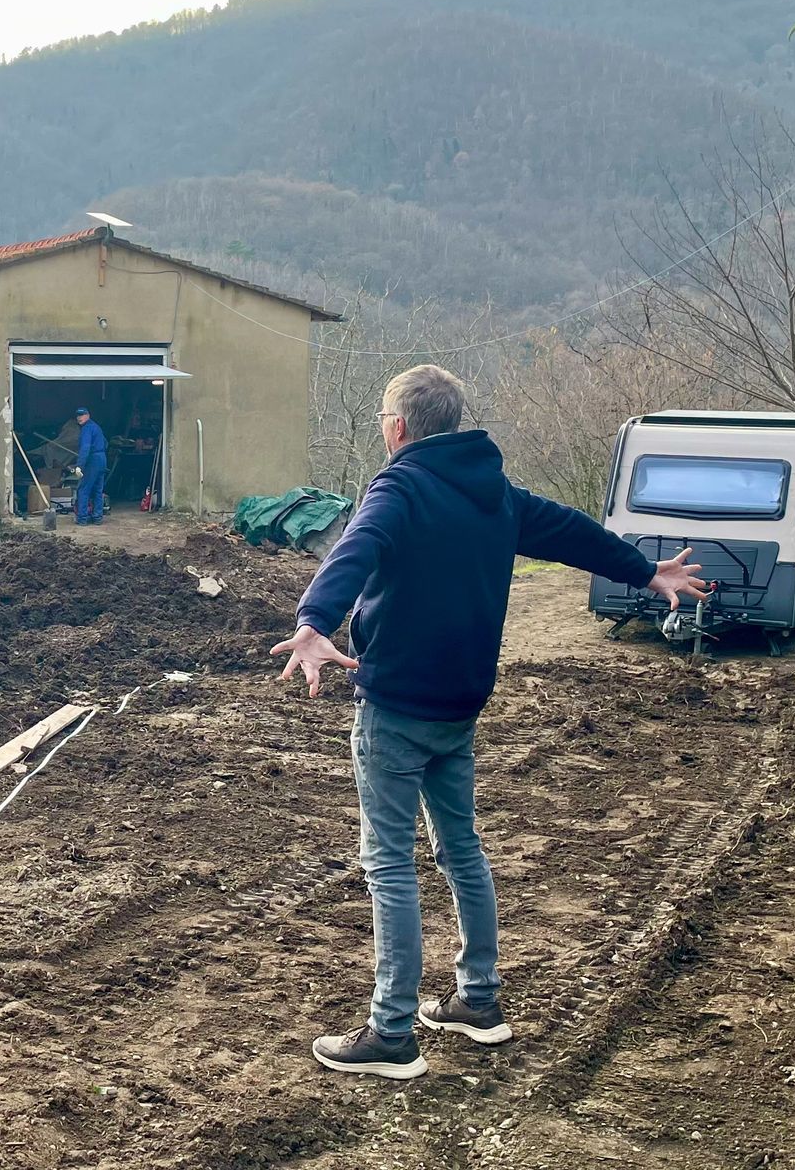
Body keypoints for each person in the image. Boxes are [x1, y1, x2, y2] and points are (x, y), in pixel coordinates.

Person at [269, 364, 706, 1080]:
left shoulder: (400, 485)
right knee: (460, 848)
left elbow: (355, 547)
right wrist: (645, 572)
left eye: (383, 416)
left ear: (398, 427)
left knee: (389, 863)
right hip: (460, 703)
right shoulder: (494, 491)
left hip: (398, 705)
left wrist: (315, 622)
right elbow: (570, 532)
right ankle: (477, 1001)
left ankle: (391, 1033)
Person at [72, 406, 107, 525]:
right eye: (78, 416)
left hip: (93, 460)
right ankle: (97, 517)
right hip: (102, 459)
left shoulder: (86, 429)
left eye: (82, 415)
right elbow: (105, 443)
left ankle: (82, 518)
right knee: (98, 490)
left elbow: (85, 448)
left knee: (83, 489)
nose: (79, 418)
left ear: (88, 416)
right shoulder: (96, 427)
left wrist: (79, 465)